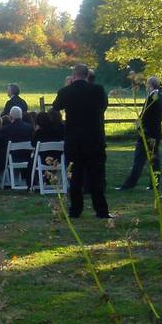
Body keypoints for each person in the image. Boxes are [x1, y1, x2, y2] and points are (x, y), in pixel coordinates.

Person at [51, 64, 110, 219]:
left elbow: (56, 106)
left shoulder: (66, 92)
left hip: (74, 140)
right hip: (94, 138)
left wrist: (68, 87)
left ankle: (75, 210)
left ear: (73, 75)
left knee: (75, 177)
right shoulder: (98, 90)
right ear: (87, 75)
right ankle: (101, 210)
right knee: (96, 176)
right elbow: (103, 107)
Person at [117, 76, 162, 191]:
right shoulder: (161, 98)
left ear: (149, 85)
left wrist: (140, 127)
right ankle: (155, 184)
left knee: (139, 160)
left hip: (148, 134)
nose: (146, 87)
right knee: (154, 160)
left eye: (147, 84)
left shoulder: (153, 99)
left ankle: (130, 184)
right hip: (155, 133)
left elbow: (148, 117)